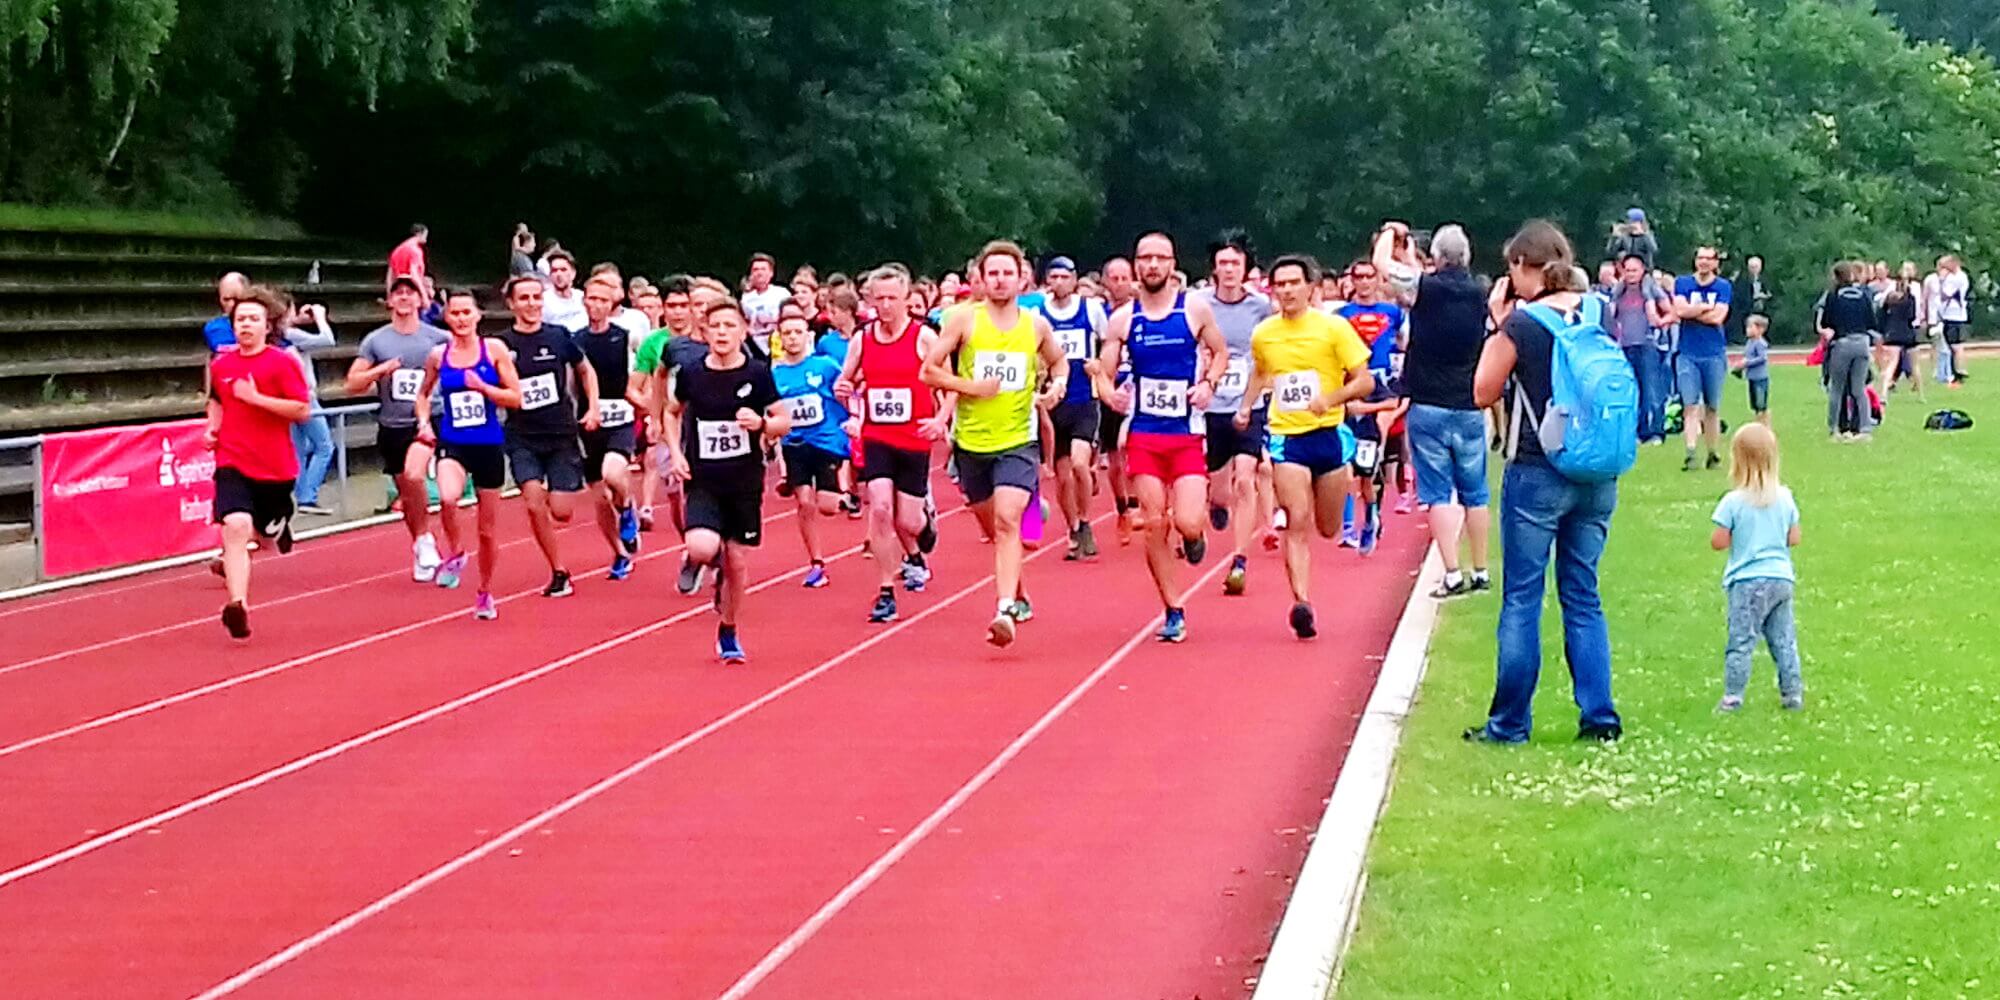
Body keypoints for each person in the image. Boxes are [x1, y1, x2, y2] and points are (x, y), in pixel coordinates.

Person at [1467, 219, 1623, 744]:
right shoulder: (1599, 310)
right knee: (1583, 593)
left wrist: (1497, 323)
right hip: (1598, 467)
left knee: (1523, 597)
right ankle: (1598, 715)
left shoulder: (1524, 324)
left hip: (1538, 467)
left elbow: (1483, 391)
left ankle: (1510, 722)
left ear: (1518, 267)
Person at [924, 240, 1068, 647]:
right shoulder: (964, 322)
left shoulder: (1035, 325)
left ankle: (1003, 609)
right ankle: (1018, 590)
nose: (1001, 280)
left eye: (1009, 272)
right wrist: (970, 386)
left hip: (1018, 439)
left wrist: (1056, 385)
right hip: (971, 442)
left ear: (1022, 278)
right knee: (993, 526)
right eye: (994, 274)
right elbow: (929, 371)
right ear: (982, 281)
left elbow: (1059, 360)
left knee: (1008, 521)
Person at [1095, 232, 1229, 642]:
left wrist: (1208, 383)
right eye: (1145, 258)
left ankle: (1195, 533)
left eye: (1160, 258)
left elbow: (1221, 353)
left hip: (1186, 434)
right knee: (1154, 523)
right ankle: (1173, 608)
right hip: (1144, 435)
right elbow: (1102, 370)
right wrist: (1109, 394)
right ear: (1136, 265)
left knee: (1186, 520)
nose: (1152, 265)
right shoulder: (1124, 319)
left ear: (1172, 264)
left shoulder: (1194, 309)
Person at [1238, 255, 1373, 640]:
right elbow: (1262, 372)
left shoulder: (1334, 328)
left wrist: (1331, 399)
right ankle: (1301, 602)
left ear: (1311, 287)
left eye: (1294, 283)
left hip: (1328, 436)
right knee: (1296, 519)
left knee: (1327, 527)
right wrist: (1247, 406)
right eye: (1279, 284)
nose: (1286, 291)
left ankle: (1311, 571)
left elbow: (1363, 382)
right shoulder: (1264, 333)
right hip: (1287, 437)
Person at [661, 299, 790, 663]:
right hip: (704, 477)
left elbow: (784, 420)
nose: (721, 333)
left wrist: (763, 424)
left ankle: (729, 630)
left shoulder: (757, 373)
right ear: (704, 332)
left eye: (729, 326)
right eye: (715, 326)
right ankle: (699, 558)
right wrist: (677, 452)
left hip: (744, 480)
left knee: (737, 561)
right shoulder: (691, 372)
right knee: (702, 546)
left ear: (743, 331)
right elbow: (672, 413)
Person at [1380, 223, 1494, 598]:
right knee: (1475, 493)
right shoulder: (1481, 292)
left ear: (1437, 258)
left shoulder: (1425, 288)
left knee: (1438, 493)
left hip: (1428, 401)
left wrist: (1390, 233)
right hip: (1469, 402)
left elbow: (1383, 264)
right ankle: (1480, 570)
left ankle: (1451, 573)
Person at [838, 265, 949, 624]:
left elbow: (951, 386)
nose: (885, 306)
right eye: (879, 299)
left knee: (908, 519)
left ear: (906, 300)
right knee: (881, 509)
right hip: (878, 437)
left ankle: (921, 531)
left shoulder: (924, 338)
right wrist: (845, 394)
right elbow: (846, 381)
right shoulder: (862, 339)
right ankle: (886, 590)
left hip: (914, 438)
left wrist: (940, 419)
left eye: (892, 299)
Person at [206, 286, 313, 639]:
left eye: (253, 319)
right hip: (232, 459)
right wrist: (212, 429)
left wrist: (256, 398)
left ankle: (278, 528)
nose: (246, 326)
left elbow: (301, 411)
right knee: (235, 527)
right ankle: (238, 605)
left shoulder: (282, 363)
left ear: (268, 325)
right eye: (240, 320)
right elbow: (217, 399)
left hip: (275, 469)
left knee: (265, 534)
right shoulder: (222, 364)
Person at [415, 289, 523, 620]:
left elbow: (515, 398)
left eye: (466, 313)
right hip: (453, 441)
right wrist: (423, 422)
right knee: (448, 498)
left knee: (488, 531)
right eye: (455, 314)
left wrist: (485, 388)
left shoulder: (494, 350)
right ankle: (457, 552)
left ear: (478, 316)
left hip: (489, 444)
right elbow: (423, 394)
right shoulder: (438, 355)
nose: (461, 319)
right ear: (447, 318)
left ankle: (485, 591)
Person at [501, 273, 600, 597]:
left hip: (560, 433)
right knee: (532, 503)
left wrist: (593, 407)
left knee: (561, 511)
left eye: (536, 297)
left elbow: (585, 370)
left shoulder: (558, 336)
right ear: (512, 304)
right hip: (521, 435)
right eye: (524, 298)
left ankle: (556, 495)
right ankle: (558, 570)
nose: (532, 304)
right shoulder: (501, 345)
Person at [347, 274, 450, 580]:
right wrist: (382, 369)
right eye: (398, 293)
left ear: (421, 300)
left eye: (410, 292)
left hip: (431, 419)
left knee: (415, 475)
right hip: (393, 424)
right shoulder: (376, 341)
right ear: (389, 301)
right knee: (407, 490)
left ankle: (428, 540)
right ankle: (421, 541)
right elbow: (352, 383)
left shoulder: (438, 338)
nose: (404, 298)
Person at [1199, 231, 1277, 595]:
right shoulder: (1198, 304)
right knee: (1219, 490)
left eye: (1236, 263)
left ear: (1246, 267)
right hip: (1209, 405)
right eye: (1223, 263)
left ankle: (1239, 560)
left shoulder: (1261, 307)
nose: (1229, 269)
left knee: (1246, 476)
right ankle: (1216, 505)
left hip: (1248, 403)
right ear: (1214, 267)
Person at [1710, 423, 1804, 712]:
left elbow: (1718, 541)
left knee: (1741, 640)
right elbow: (1794, 537)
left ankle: (1733, 696)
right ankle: (1792, 693)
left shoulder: (1733, 502)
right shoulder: (1784, 497)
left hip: (1747, 581)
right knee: (1783, 639)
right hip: (1781, 579)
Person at [773, 311, 852, 586]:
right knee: (805, 502)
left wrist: (852, 420)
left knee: (827, 507)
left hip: (827, 441)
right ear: (780, 339)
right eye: (787, 333)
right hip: (795, 444)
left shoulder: (825, 366)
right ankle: (816, 562)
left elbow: (846, 393)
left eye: (798, 332)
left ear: (808, 336)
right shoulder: (775, 374)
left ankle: (843, 495)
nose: (793, 338)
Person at [1038, 255, 1108, 560]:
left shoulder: (1090, 310)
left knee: (1081, 464)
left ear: (1074, 279)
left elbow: (1109, 345)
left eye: (1064, 277)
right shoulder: (1038, 315)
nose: (1059, 283)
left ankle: (1085, 519)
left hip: (1084, 399)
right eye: (1053, 277)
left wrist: (1101, 366)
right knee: (1062, 475)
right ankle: (1073, 527)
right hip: (1053, 402)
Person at [575, 275, 645, 580]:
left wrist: (649, 410)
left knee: (613, 473)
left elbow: (645, 370)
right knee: (599, 497)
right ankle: (619, 552)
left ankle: (627, 507)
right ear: (584, 301)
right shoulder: (575, 340)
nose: (597, 305)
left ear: (613, 303)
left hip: (620, 418)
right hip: (587, 423)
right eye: (592, 298)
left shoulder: (626, 337)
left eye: (603, 300)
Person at [1673, 247, 1732, 471]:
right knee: (1690, 405)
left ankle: (1712, 452)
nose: (1704, 262)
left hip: (1714, 353)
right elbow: (1679, 311)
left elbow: (1718, 317)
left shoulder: (1723, 286)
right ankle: (1690, 452)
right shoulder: (1683, 283)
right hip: (1688, 352)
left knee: (1712, 406)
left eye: (1709, 259)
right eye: (1700, 258)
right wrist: (1704, 308)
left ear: (1716, 263)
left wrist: (1693, 310)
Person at [1607, 254, 1674, 444]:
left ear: (1642, 270)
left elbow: (1671, 312)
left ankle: (1655, 431)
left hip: (1647, 345)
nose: (1630, 274)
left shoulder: (1651, 289)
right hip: (1625, 346)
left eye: (1634, 270)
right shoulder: (1618, 292)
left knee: (1651, 390)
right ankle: (1636, 430)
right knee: (1631, 390)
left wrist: (1660, 322)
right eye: (1627, 270)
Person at [1097, 255, 1141, 543]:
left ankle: (1139, 506)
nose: (1121, 283)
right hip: (1111, 391)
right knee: (1114, 455)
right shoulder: (1099, 313)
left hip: (1140, 390)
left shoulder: (1144, 310)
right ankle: (1123, 508)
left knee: (1131, 446)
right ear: (1105, 281)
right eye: (1115, 278)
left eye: (1126, 277)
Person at [282, 302, 337, 515]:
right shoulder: (291, 335)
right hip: (305, 397)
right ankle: (308, 495)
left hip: (288, 398)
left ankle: (301, 495)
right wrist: (320, 317)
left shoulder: (280, 336)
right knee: (324, 446)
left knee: (298, 449)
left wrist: (303, 319)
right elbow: (327, 339)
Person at [1817, 261, 1877, 441]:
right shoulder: (1863, 294)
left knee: (1837, 388)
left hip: (1842, 342)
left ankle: (1835, 428)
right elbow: (1872, 322)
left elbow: (1827, 322)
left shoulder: (1834, 296)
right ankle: (1865, 428)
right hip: (1862, 342)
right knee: (1859, 388)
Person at [1880, 261, 1925, 397]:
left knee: (1891, 364)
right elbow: (1912, 315)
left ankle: (1883, 393)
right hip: (1908, 331)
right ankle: (1921, 395)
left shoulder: (1891, 296)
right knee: (1915, 365)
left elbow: (1882, 307)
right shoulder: (1911, 295)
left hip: (1893, 332)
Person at [742, 253, 791, 354]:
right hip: (756, 346)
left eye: (763, 269)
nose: (759, 273)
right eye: (756, 269)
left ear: (771, 273)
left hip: (780, 344)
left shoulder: (782, 293)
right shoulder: (746, 299)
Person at [1736, 314, 1772, 425]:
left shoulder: (1760, 343)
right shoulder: (1749, 343)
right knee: (1754, 403)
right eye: (1747, 327)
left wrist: (1747, 363)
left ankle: (1764, 423)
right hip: (1751, 377)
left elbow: (1762, 358)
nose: (1748, 330)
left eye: (1751, 327)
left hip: (1760, 377)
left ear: (1760, 329)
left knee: (1761, 403)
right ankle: (1758, 422)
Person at [540, 250, 588, 332]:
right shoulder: (543, 301)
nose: (558, 274)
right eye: (554, 270)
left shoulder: (582, 297)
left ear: (573, 273)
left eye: (563, 270)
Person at [203, 272, 251, 353]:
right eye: (226, 299)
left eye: (237, 299)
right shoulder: (216, 328)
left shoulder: (266, 322)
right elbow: (231, 354)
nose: (232, 304)